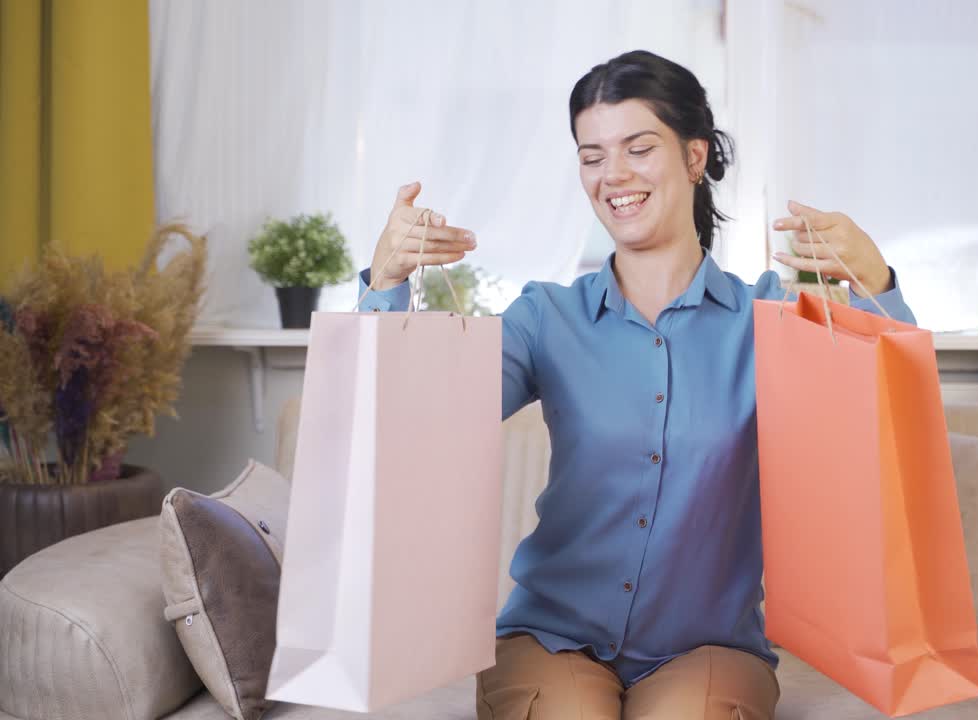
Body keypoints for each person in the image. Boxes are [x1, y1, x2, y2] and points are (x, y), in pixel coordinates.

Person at [357, 50, 915, 720]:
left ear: (694, 158)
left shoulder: (770, 321)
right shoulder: (546, 316)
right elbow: (420, 412)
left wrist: (876, 283)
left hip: (709, 648)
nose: (612, 174)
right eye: (592, 156)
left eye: (638, 148)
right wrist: (386, 285)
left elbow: (883, 421)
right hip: (549, 639)